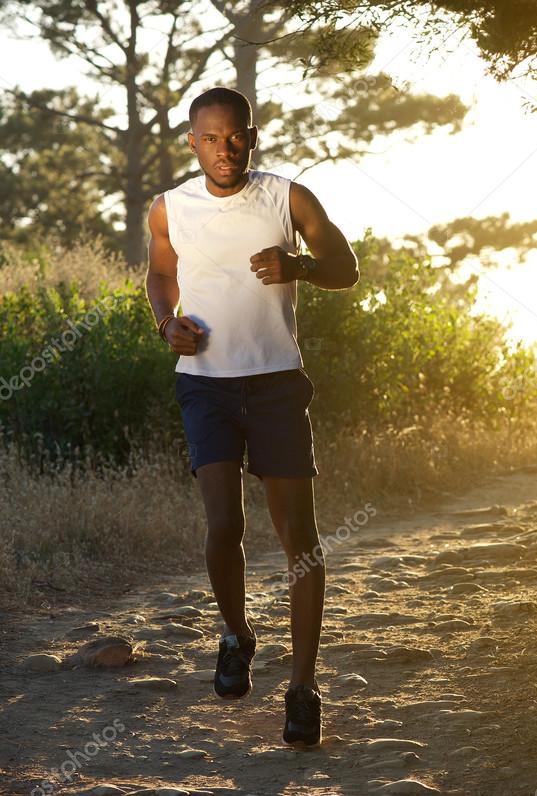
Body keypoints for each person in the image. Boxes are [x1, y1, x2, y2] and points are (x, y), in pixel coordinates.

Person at [144, 85, 359, 747]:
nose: (224, 149)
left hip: (273, 384)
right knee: (223, 521)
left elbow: (346, 267)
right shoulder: (168, 208)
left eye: (234, 136)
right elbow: (159, 275)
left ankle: (302, 686)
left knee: (299, 536)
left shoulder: (287, 196)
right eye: (210, 138)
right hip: (204, 383)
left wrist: (298, 264)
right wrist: (166, 323)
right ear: (191, 141)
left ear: (252, 134)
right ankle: (235, 633)